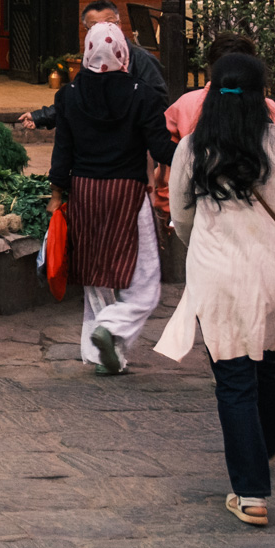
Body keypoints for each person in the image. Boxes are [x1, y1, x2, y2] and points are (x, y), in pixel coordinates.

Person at [155, 53, 275, 529]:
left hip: (220, 277)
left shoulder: (194, 148)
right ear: (263, 94)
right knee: (269, 366)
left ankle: (251, 492)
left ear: (211, 91)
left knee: (235, 379)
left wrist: (203, 244)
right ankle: (263, 451)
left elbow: (181, 217)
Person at [50, 21, 175, 376]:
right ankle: (115, 327)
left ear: (88, 52)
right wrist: (196, 150)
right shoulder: (143, 94)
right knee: (146, 279)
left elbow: (63, 152)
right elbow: (161, 148)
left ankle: (101, 353)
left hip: (85, 192)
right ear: (123, 52)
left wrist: (56, 195)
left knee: (95, 274)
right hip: (128, 193)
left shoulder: (70, 95)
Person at [155, 35, 275, 214]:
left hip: (201, 208)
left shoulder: (185, 104)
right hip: (258, 210)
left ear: (210, 69)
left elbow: (164, 159)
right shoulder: (269, 109)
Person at [19, 0, 163, 130]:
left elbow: (159, 102)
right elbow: (78, 98)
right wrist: (41, 117)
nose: (104, 32)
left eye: (110, 24)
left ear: (119, 24)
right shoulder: (90, 61)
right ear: (87, 31)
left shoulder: (142, 59)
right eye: (95, 27)